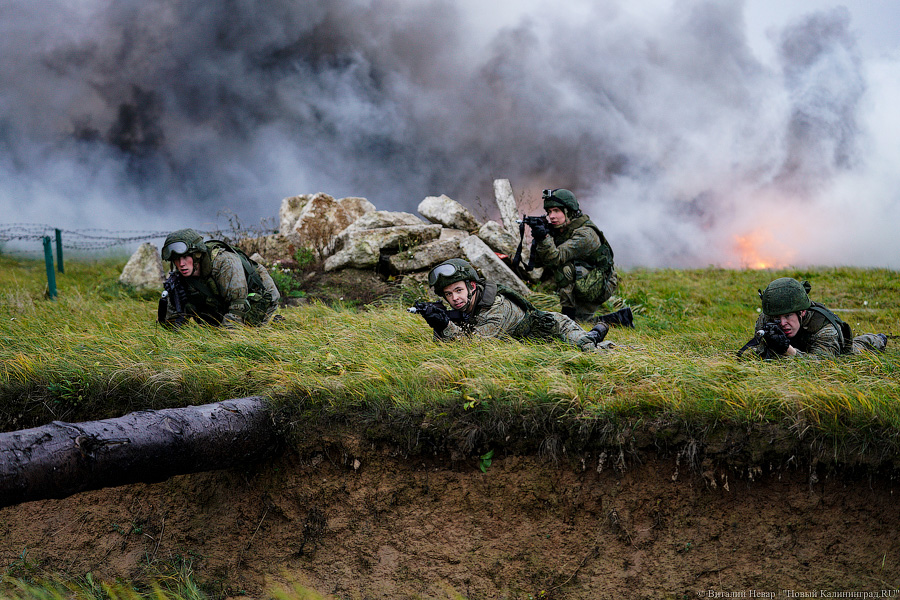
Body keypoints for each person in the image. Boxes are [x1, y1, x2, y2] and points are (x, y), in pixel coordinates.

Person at [412, 258, 613, 352]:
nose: (454, 298)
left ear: (472, 286)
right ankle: (596, 335)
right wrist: (438, 324)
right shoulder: (466, 307)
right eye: (448, 294)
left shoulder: (497, 309)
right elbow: (446, 348)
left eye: (458, 290)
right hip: (535, 346)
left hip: (557, 329)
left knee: (589, 350)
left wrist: (444, 325)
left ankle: (596, 336)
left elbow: (472, 349)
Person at [529, 188, 631, 326]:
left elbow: (555, 258)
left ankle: (567, 318)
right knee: (583, 322)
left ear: (569, 211)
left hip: (600, 282)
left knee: (564, 268)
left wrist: (545, 238)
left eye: (557, 211)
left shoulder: (584, 234)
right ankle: (621, 319)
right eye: (549, 212)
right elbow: (539, 263)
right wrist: (541, 238)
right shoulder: (562, 230)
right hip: (586, 278)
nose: (551, 216)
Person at [158, 228, 281, 328]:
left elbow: (237, 307)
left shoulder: (224, 263)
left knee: (250, 326)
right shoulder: (179, 277)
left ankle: (272, 324)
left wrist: (226, 341)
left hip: (259, 296)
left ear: (197, 255)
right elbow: (172, 321)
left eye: (185, 257)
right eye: (176, 260)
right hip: (223, 299)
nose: (181, 264)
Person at [749, 277, 887, 359]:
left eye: (788, 316)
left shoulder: (825, 328)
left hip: (838, 348)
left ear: (802, 312)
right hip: (799, 347)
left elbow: (821, 364)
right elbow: (758, 352)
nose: (782, 323)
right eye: (776, 318)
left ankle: (879, 339)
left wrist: (788, 350)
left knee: (855, 349)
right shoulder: (766, 319)